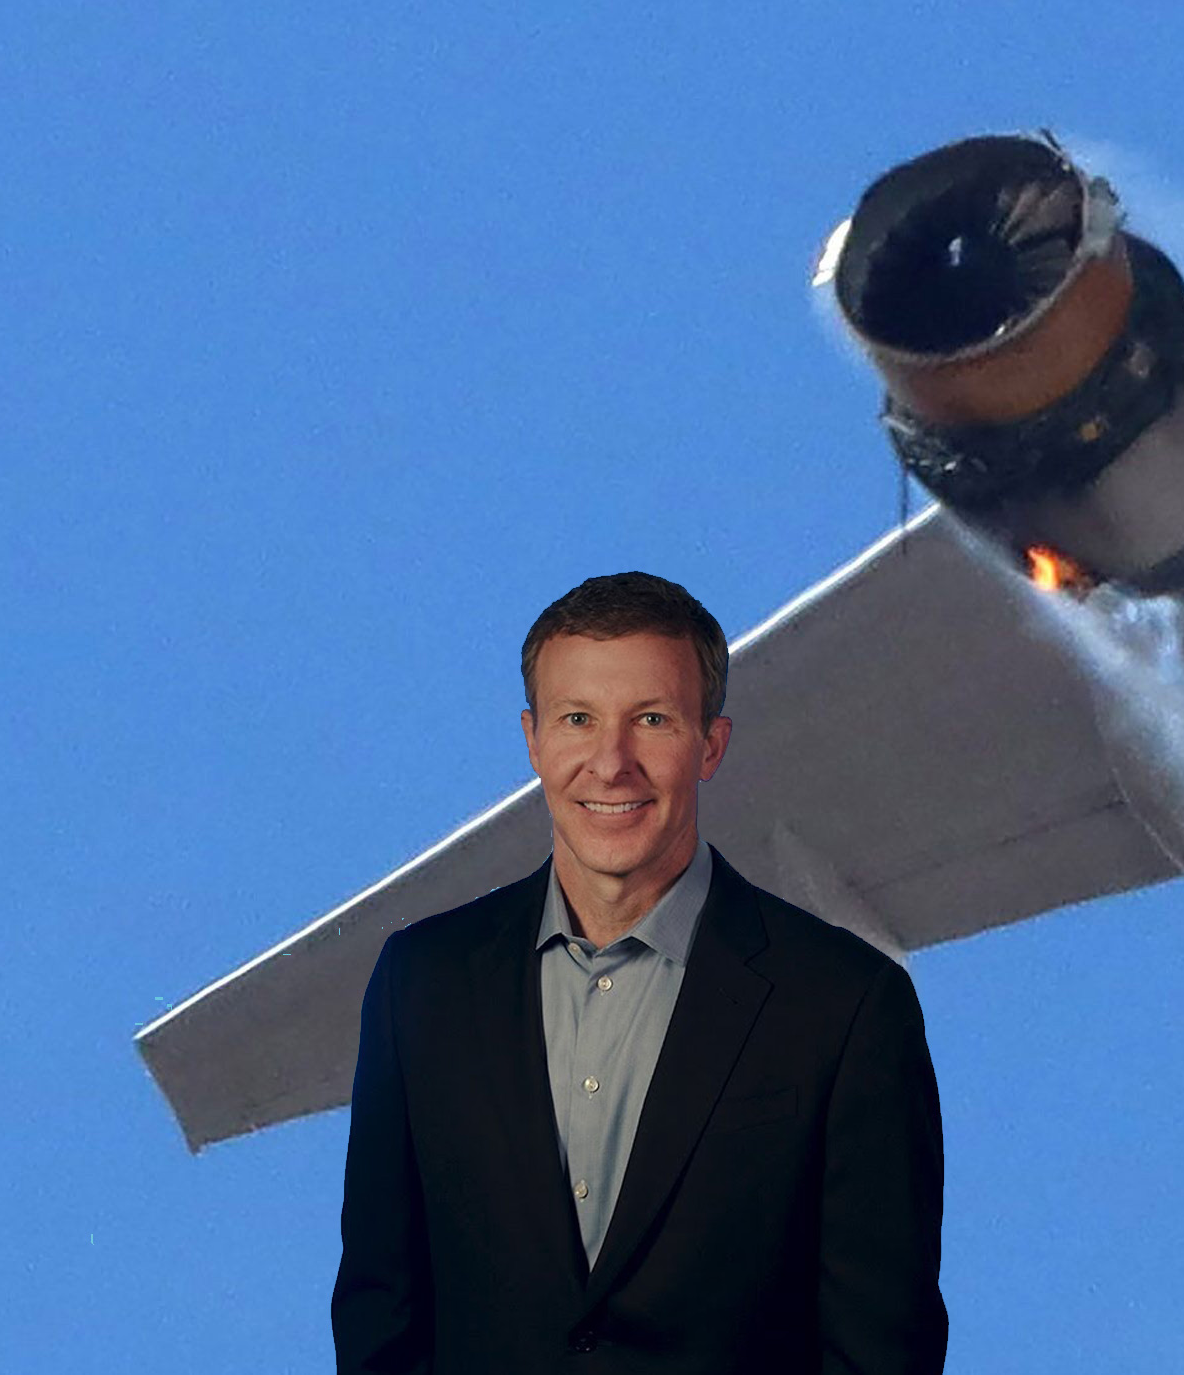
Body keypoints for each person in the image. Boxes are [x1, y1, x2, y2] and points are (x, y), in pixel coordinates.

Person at [332, 571, 948, 1372]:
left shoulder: (843, 1005)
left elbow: (882, 1344)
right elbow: (380, 1309)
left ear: (711, 745)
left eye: (652, 720)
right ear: (532, 740)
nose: (610, 762)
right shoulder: (423, 984)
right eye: (577, 719)